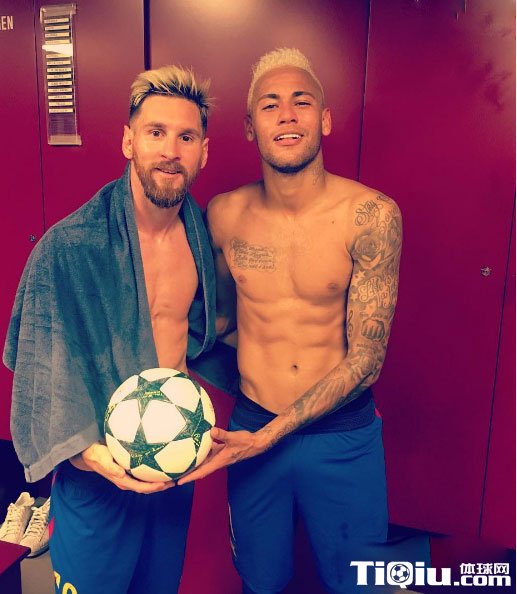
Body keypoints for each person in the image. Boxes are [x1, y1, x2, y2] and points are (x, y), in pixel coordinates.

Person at [180, 48, 403, 594]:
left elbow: (367, 359)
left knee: (361, 584)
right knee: (261, 581)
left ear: (323, 119)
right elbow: (219, 322)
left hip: (341, 435)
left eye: (301, 102)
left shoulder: (370, 216)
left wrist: (268, 436)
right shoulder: (225, 214)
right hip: (252, 424)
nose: (286, 115)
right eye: (270, 104)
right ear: (249, 128)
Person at [4, 66, 216, 594]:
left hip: (173, 462)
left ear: (203, 152)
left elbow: (209, 333)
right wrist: (97, 459)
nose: (171, 151)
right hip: (98, 472)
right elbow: (41, 371)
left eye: (186, 137)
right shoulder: (69, 246)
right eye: (156, 132)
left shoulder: (201, 238)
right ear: (128, 141)